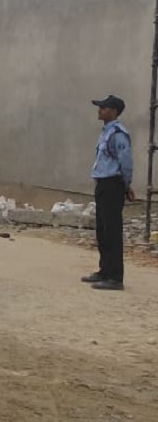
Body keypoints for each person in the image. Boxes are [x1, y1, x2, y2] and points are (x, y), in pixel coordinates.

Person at [82, 94, 134, 290]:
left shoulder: (118, 134)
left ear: (113, 111)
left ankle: (115, 277)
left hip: (113, 184)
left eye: (103, 108)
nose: (99, 110)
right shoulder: (106, 132)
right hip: (103, 183)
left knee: (112, 230)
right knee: (102, 230)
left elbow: (126, 162)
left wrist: (126, 185)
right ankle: (104, 270)